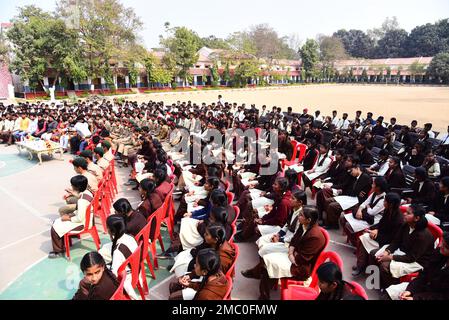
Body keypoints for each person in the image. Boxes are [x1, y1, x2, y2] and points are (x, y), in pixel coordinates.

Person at [242, 206, 326, 300]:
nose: (298, 216)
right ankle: (259, 281)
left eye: (301, 215)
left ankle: (262, 291)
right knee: (268, 259)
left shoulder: (315, 237)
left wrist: (291, 253)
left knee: (268, 263)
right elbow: (294, 240)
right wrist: (291, 251)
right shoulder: (304, 226)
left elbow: (301, 259)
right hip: (293, 256)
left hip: (300, 267)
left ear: (308, 219)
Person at [375, 204, 435, 289]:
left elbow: (412, 257)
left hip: (417, 261)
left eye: (408, 213)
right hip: (404, 252)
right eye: (405, 212)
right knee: (375, 254)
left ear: (416, 218)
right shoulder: (406, 224)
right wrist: (387, 251)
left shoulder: (423, 236)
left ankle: (390, 288)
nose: (404, 214)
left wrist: (390, 257)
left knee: (384, 265)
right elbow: (396, 241)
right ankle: (377, 281)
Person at [352, 192, 404, 276]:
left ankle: (367, 269)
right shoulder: (388, 211)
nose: (383, 203)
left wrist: (375, 235)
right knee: (364, 237)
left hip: (388, 243)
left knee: (368, 242)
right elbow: (381, 223)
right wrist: (374, 229)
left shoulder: (399, 220)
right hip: (381, 236)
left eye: (385, 201)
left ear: (391, 204)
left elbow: (392, 238)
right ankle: (360, 265)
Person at [388, 232, 449, 300]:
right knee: (392, 291)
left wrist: (415, 298)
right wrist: (410, 290)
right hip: (422, 288)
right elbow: (424, 275)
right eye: (442, 242)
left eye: (445, 246)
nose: (440, 245)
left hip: (431, 296)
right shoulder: (439, 253)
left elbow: (444, 296)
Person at [49, 175, 93, 258]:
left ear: (77, 187)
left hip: (83, 223)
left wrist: (68, 218)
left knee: (55, 227)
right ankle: (62, 244)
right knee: (58, 222)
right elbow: (81, 197)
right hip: (88, 219)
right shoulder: (88, 192)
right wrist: (73, 193)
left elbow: (79, 218)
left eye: (72, 185)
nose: (71, 186)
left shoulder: (81, 201)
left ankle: (58, 251)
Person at [170, 223, 235, 277]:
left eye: (207, 234)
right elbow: (200, 248)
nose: (204, 235)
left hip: (208, 276)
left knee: (185, 265)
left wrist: (190, 276)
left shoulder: (221, 258)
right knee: (183, 255)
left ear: (215, 239)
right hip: (203, 269)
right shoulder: (215, 242)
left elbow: (212, 274)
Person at [98, 215, 139, 300]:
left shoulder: (117, 252)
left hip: (128, 277)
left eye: (107, 227)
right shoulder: (130, 236)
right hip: (135, 269)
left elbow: (114, 274)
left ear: (111, 230)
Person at [322, 164, 372, 229]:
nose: (351, 173)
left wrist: (356, 192)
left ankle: (333, 224)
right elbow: (351, 189)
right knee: (328, 201)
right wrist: (355, 191)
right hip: (350, 196)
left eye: (352, 171)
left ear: (357, 168)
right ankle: (329, 220)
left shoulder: (364, 177)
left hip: (357, 200)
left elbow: (355, 192)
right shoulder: (355, 177)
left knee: (333, 206)